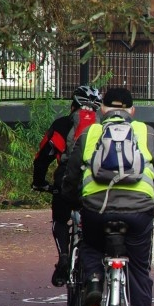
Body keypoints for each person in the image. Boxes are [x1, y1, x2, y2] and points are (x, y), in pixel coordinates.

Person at [61, 87, 154, 306]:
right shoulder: (145, 132)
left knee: (90, 244)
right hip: (138, 212)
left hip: (96, 209)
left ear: (102, 109)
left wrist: (73, 201)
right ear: (132, 112)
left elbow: (71, 175)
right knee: (138, 271)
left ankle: (96, 281)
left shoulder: (90, 134)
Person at [32, 85, 101, 287]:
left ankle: (63, 255)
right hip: (96, 181)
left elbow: (43, 156)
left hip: (66, 178)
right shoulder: (103, 126)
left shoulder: (62, 124)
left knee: (60, 219)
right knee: (95, 221)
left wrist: (39, 182)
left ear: (73, 106)